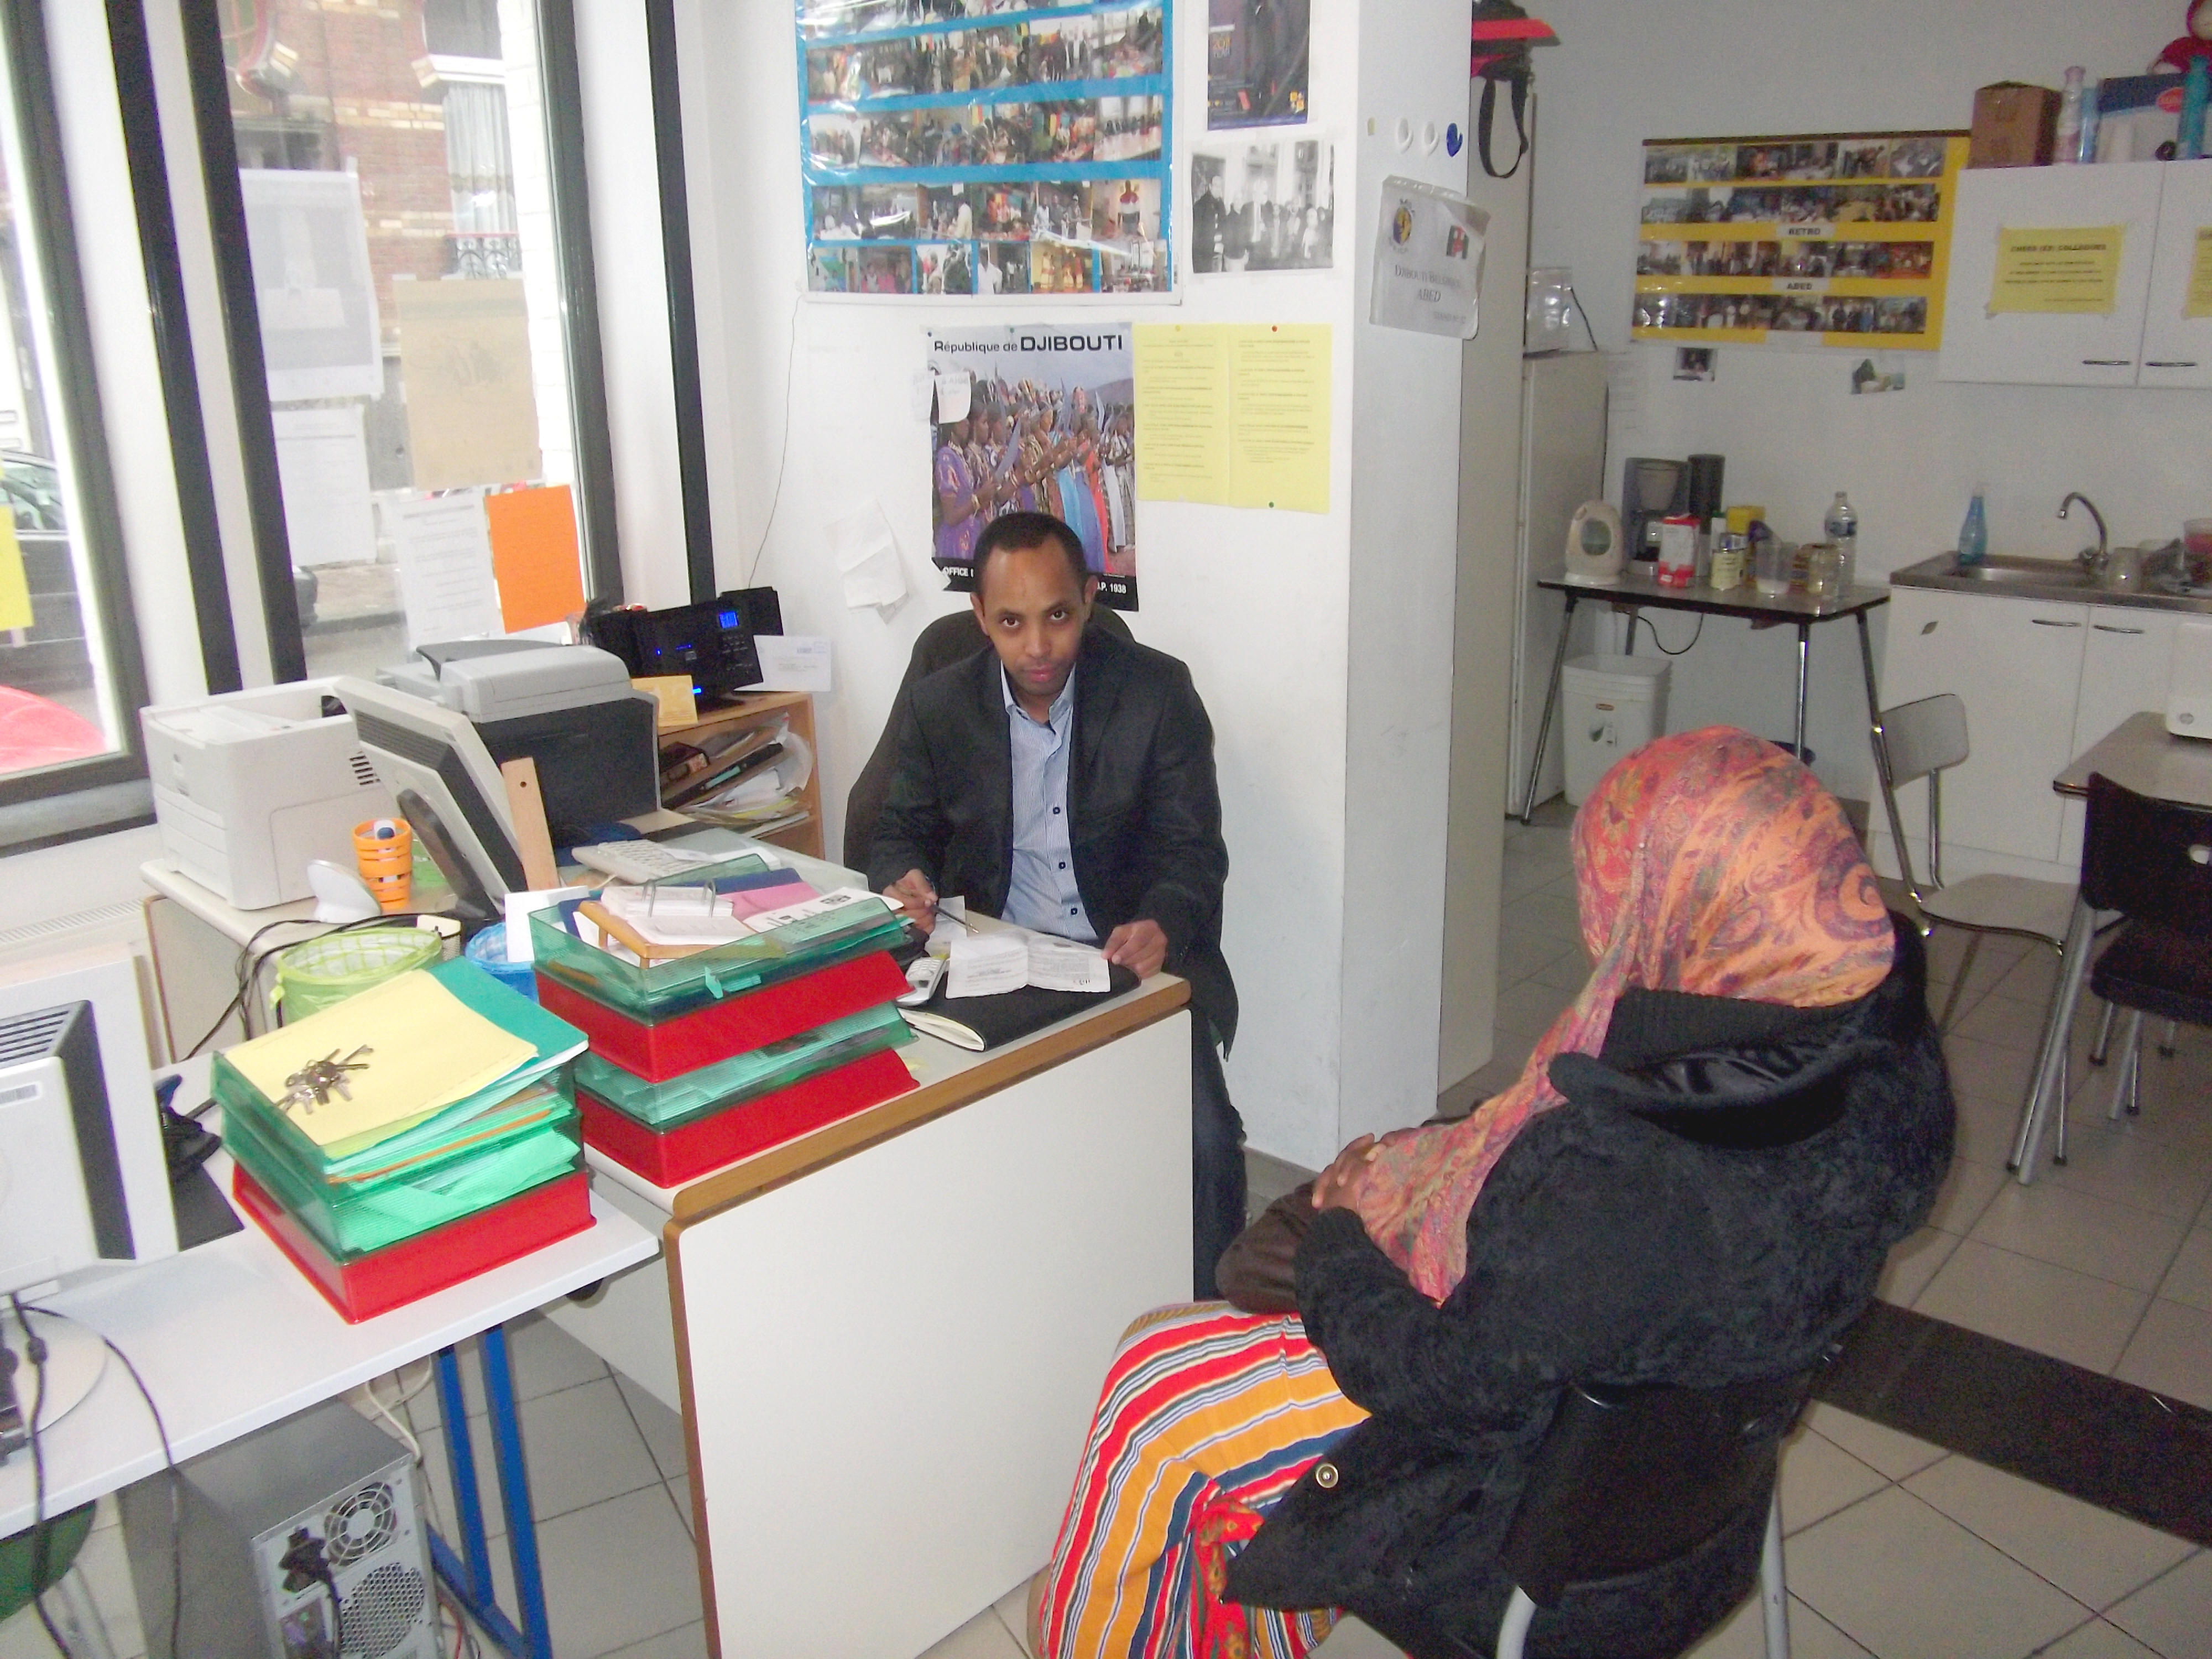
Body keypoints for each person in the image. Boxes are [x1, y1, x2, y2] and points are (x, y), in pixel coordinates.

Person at [1028, 727, 1954, 1659]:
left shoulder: (1625, 1173)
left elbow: (1448, 1387)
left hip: (1521, 1526)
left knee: (1154, 1373)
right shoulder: (1892, 1070)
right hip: (1701, 1497)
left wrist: (1340, 1241)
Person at [869, 512, 1246, 1300]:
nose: (1036, 647)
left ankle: (1214, 1332)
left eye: (1058, 617)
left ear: (1089, 599)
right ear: (980, 620)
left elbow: (1194, 852)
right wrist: (903, 876)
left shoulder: (1157, 694)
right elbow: (896, 826)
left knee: (1206, 1144)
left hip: (1123, 965)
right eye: (1010, 622)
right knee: (894, 1112)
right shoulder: (941, 706)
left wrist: (1164, 923)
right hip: (993, 957)